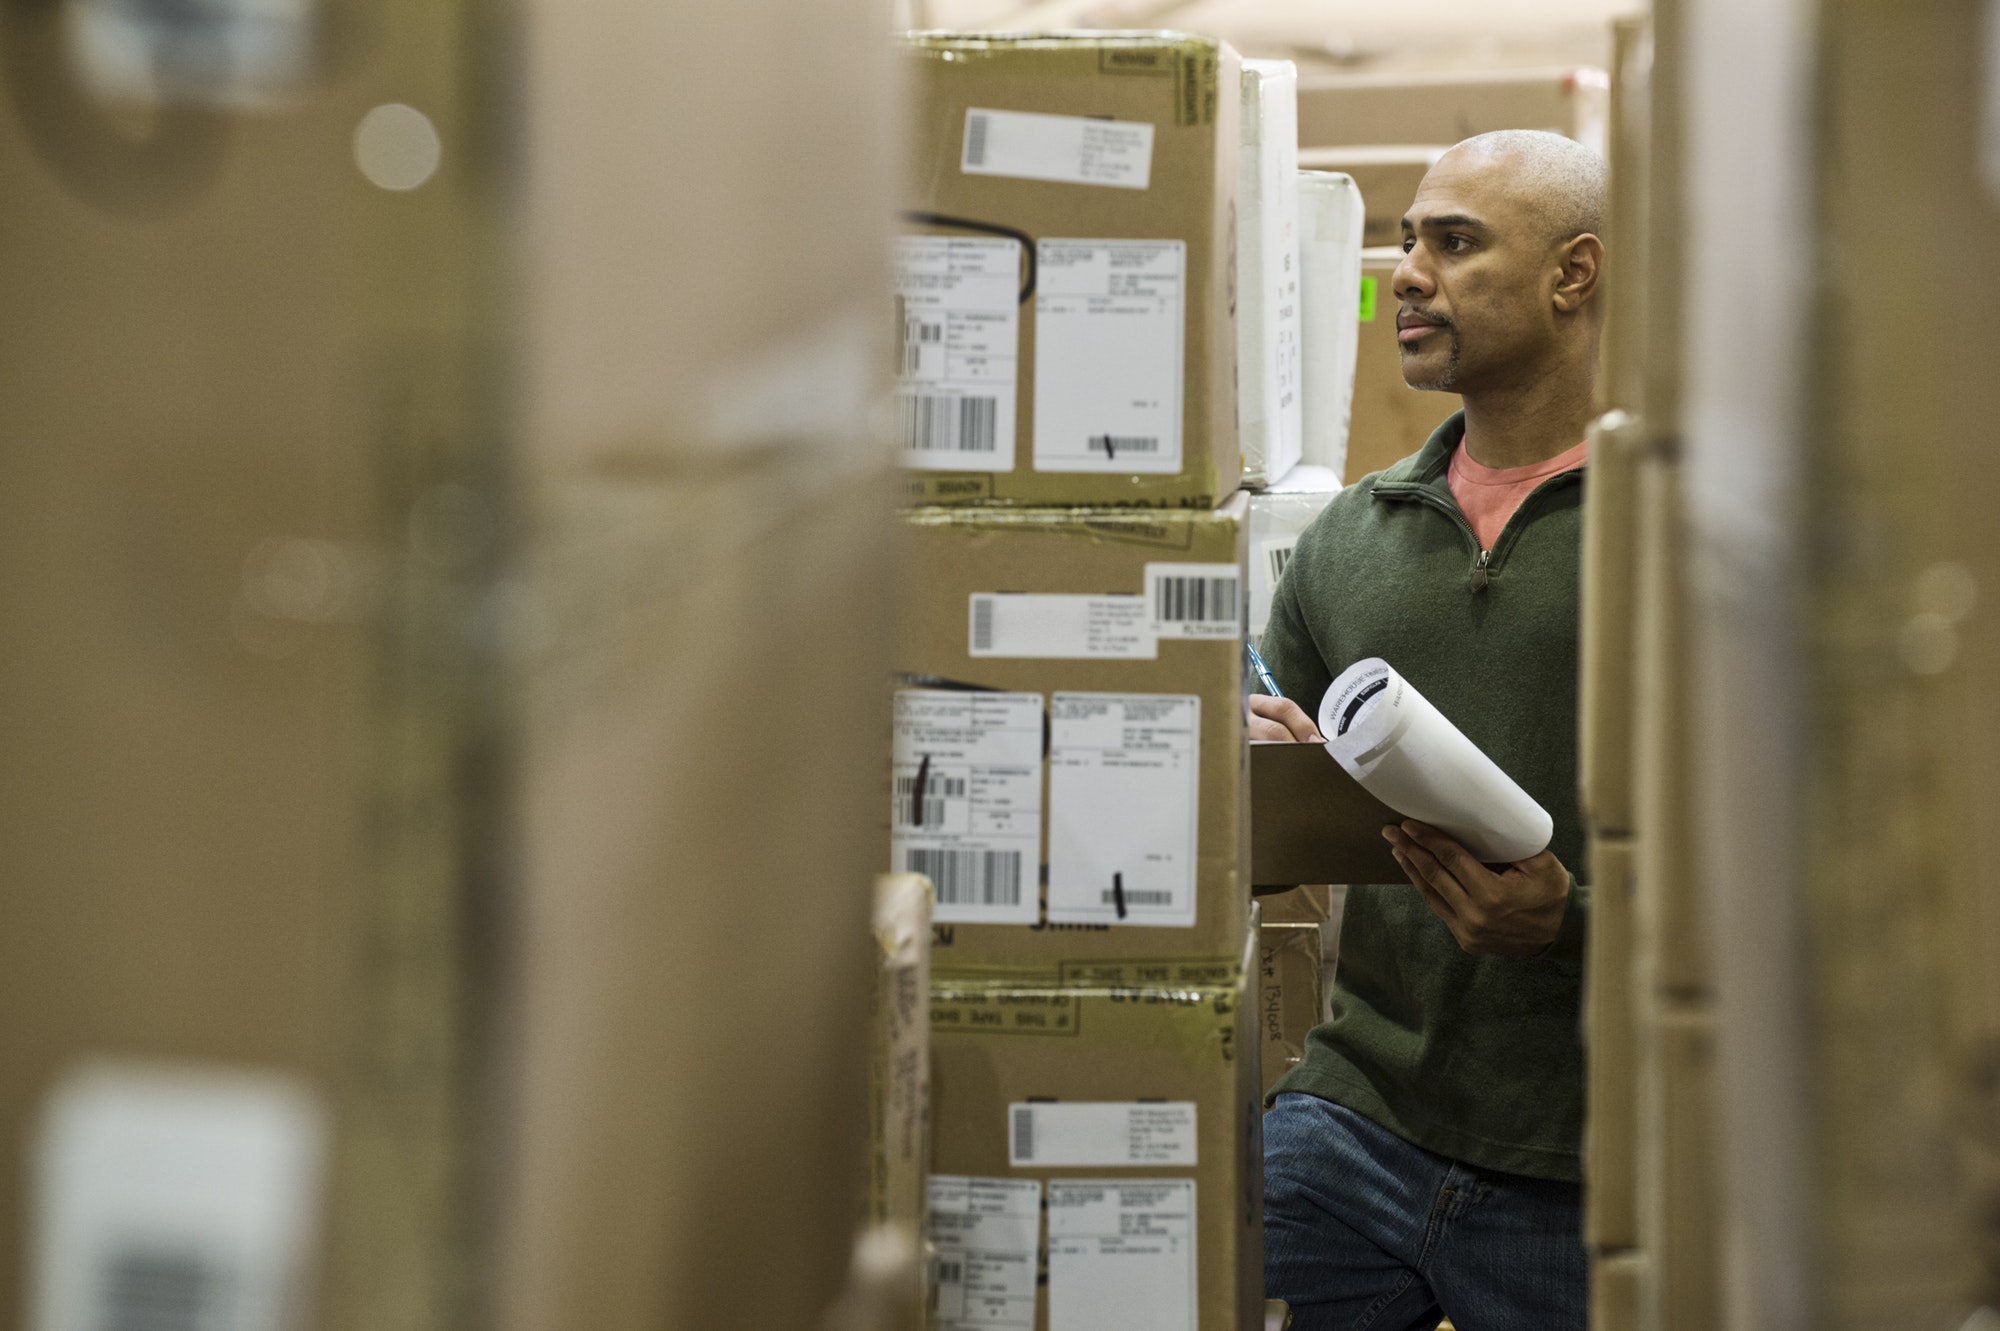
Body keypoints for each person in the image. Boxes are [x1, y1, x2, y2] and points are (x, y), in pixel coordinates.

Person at [1253, 129, 1607, 1331]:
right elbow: (1267, 830)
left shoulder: (1679, 533)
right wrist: (1248, 755)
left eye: (1454, 243)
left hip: (1583, 1161)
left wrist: (1574, 919)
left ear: (1576, 274)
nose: (1407, 272)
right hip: (1354, 1122)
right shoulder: (1352, 538)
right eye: (1408, 239)